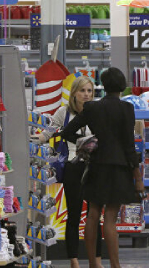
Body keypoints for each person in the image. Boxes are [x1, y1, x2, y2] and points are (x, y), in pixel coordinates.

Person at [60, 68, 143, 268]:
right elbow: (129, 145)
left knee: (93, 213)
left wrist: (87, 144)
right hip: (119, 167)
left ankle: (92, 263)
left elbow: (67, 132)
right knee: (111, 218)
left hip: (96, 165)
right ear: (122, 85)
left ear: (103, 86)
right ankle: (115, 264)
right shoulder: (127, 108)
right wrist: (137, 175)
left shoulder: (92, 108)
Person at [33, 76, 103, 268]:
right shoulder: (63, 112)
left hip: (96, 166)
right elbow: (49, 131)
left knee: (95, 215)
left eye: (90, 91)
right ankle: (73, 259)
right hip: (73, 166)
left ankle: (96, 259)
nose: (87, 95)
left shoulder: (97, 111)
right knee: (73, 214)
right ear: (74, 93)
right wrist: (34, 140)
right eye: (82, 91)